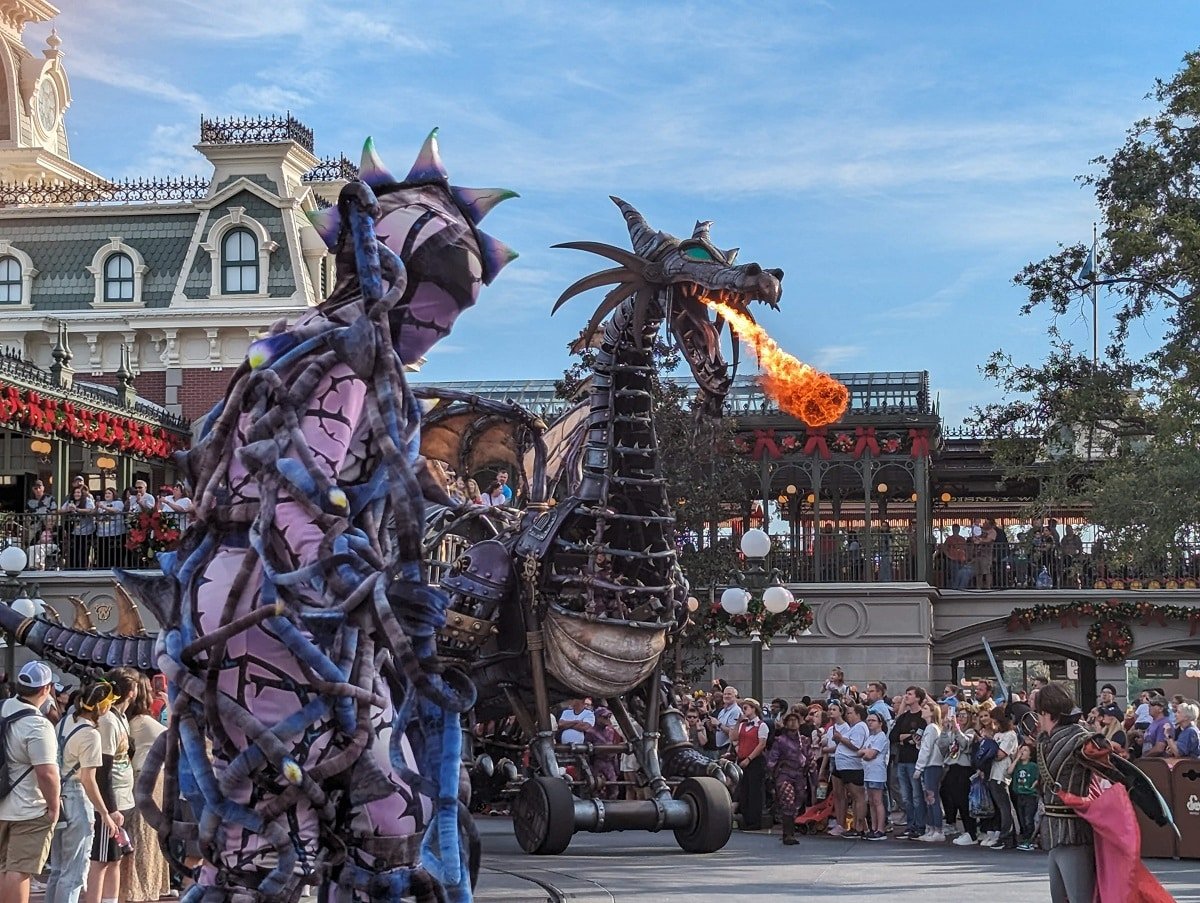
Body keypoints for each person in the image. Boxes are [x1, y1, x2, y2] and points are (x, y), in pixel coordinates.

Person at [44, 682, 120, 903]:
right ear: (102, 707)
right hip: (76, 798)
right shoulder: (91, 735)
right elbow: (88, 779)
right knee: (74, 873)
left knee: (57, 870)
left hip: (57, 795)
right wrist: (105, 813)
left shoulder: (66, 721)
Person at [0, 661, 60, 903]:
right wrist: (54, 807)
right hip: (28, 808)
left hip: (2, 802)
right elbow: (46, 773)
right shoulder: (37, 724)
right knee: (20, 868)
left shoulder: (3, 708)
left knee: (3, 866)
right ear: (46, 689)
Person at [1035, 682, 1097, 903]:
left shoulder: (1082, 739)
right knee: (1060, 899)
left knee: (1080, 899)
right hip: (1054, 828)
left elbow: (1116, 772)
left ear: (1045, 712)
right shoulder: (1045, 740)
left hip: (1074, 828)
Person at [87, 667, 138, 903]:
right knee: (100, 859)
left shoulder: (121, 717)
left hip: (123, 794)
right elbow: (102, 769)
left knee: (115, 857)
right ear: (130, 691)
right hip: (109, 800)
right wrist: (110, 808)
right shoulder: (108, 721)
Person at [122, 674, 170, 901]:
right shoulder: (141, 722)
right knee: (144, 833)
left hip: (145, 776)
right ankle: (141, 887)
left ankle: (140, 886)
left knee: (145, 832)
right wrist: (170, 704)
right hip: (149, 778)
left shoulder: (131, 721)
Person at [889, 685, 927, 839]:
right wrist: (905, 737)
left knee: (917, 795)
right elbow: (893, 736)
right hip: (902, 759)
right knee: (906, 796)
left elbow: (917, 738)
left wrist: (905, 738)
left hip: (915, 759)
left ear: (918, 697)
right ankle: (910, 825)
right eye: (906, 694)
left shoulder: (922, 717)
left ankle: (920, 825)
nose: (907, 697)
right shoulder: (904, 717)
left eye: (910, 694)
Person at [766, 712, 809, 845]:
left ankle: (791, 829)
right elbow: (772, 760)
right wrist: (771, 775)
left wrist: (814, 777)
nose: (792, 722)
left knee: (799, 800)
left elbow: (810, 758)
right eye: (789, 720)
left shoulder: (805, 740)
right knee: (788, 801)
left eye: (795, 720)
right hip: (785, 774)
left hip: (800, 775)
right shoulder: (780, 741)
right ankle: (788, 834)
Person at [943, 705, 980, 845]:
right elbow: (943, 746)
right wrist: (946, 730)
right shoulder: (953, 731)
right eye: (959, 715)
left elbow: (965, 743)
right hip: (952, 766)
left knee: (964, 801)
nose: (960, 718)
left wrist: (957, 729)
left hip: (964, 769)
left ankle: (971, 832)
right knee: (953, 799)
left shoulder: (971, 731)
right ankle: (966, 830)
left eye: (964, 715)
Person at [985, 708, 1020, 850]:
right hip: (992, 772)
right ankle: (1005, 834)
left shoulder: (1010, 735)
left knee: (1005, 806)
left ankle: (1007, 836)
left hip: (1002, 774)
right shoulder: (997, 734)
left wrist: (989, 752)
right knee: (1000, 807)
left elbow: (1001, 754)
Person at [732, 698, 769, 831]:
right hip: (742, 759)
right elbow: (734, 738)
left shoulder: (762, 725)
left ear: (754, 709)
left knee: (755, 791)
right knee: (744, 790)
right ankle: (746, 819)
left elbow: (761, 744)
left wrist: (749, 758)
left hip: (755, 761)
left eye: (746, 707)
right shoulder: (743, 724)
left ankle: (755, 821)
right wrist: (738, 722)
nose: (744, 710)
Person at [914, 699, 945, 842]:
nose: (922, 710)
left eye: (926, 708)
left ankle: (938, 829)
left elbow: (927, 750)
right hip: (930, 765)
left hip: (932, 766)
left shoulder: (932, 728)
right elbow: (926, 747)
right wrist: (919, 744)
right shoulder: (931, 728)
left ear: (932, 712)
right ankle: (932, 828)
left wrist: (918, 767)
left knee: (932, 798)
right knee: (929, 798)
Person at [858, 710, 890, 840]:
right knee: (871, 801)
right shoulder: (870, 737)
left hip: (877, 773)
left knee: (877, 801)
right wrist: (865, 752)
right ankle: (874, 827)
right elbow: (861, 752)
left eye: (873, 720)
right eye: (869, 720)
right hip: (868, 772)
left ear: (880, 723)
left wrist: (865, 753)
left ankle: (881, 828)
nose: (870, 723)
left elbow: (870, 755)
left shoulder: (881, 737)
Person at [1011, 744, 1040, 851]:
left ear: (1030, 754)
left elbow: (1038, 777)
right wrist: (1017, 758)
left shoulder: (1033, 766)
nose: (1023, 752)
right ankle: (1025, 839)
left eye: (1025, 750)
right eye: (1021, 750)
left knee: (1029, 818)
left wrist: (1033, 786)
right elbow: (1009, 771)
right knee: (1022, 819)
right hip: (1020, 794)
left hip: (1030, 795)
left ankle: (1030, 841)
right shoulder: (1018, 765)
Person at [60, 483, 95, 569]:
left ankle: (83, 568)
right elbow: (59, 510)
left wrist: (78, 509)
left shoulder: (87, 500)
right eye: (75, 492)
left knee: (84, 551)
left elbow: (92, 510)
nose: (76, 494)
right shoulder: (70, 501)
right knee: (73, 551)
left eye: (78, 492)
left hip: (86, 531)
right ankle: (72, 568)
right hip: (74, 531)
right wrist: (68, 509)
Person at [93, 488, 126, 570]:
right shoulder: (101, 503)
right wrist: (97, 507)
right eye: (106, 493)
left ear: (113, 494)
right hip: (102, 532)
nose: (107, 495)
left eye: (109, 493)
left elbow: (116, 511)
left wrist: (104, 507)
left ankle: (116, 568)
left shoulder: (118, 502)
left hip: (115, 532)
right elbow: (94, 514)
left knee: (114, 553)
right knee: (103, 553)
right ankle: (102, 568)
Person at [24, 480, 56, 545]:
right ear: (33, 489)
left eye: (39, 487)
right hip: (34, 526)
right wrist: (28, 522)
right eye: (35, 488)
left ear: (43, 488)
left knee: (47, 546)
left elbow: (54, 512)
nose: (38, 490)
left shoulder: (50, 498)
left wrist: (51, 524)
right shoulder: (29, 501)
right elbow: (26, 515)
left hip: (46, 526)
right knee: (32, 545)